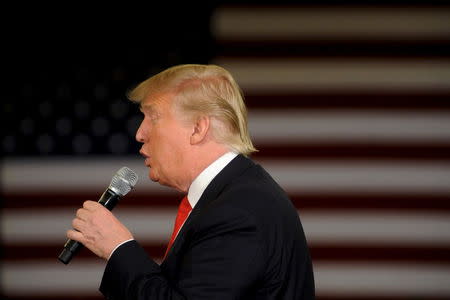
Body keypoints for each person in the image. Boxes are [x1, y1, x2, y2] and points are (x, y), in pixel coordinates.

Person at [67, 64, 315, 299]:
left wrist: (118, 248)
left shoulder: (239, 211)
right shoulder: (234, 196)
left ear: (198, 128)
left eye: (152, 117)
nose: (139, 134)